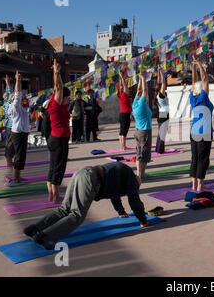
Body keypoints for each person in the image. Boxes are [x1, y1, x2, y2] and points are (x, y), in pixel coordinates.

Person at [23, 162, 148, 250]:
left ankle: (34, 229)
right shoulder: (132, 179)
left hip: (81, 173)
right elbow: (134, 201)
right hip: (90, 179)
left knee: (64, 209)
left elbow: (114, 195)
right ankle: (44, 237)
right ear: (137, 182)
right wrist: (143, 220)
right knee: (77, 215)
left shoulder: (123, 174)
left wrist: (120, 212)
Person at [47, 59, 71, 203]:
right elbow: (60, 88)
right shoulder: (56, 106)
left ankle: (51, 195)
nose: (68, 101)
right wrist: (57, 72)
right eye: (67, 98)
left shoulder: (53, 103)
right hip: (59, 140)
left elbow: (57, 87)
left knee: (52, 167)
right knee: (58, 168)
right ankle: (55, 197)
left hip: (55, 138)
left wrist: (55, 74)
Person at [189, 55, 214, 192]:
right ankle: (199, 186)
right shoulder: (204, 98)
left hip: (193, 132)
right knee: (203, 159)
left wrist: (193, 67)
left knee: (195, 158)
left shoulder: (193, 98)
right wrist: (198, 63)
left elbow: (194, 83)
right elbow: (204, 79)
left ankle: (193, 184)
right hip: (204, 133)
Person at [6, 71, 30, 187]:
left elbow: (18, 94)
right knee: (19, 155)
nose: (24, 97)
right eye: (22, 97)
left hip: (22, 133)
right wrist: (18, 80)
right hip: (18, 133)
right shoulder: (15, 107)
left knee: (22, 155)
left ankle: (18, 176)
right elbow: (17, 94)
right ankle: (15, 179)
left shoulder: (22, 107)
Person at [132, 73, 152, 180]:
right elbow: (144, 91)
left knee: (142, 153)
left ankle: (142, 173)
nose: (147, 96)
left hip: (139, 131)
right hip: (144, 132)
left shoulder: (135, 103)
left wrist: (140, 80)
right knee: (142, 154)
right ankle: (140, 175)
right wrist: (144, 79)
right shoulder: (142, 105)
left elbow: (139, 91)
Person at [155, 66, 170, 154]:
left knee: (161, 132)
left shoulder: (157, 95)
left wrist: (159, 72)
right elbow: (163, 83)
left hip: (161, 114)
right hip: (164, 114)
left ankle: (158, 148)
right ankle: (160, 150)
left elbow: (159, 82)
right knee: (162, 133)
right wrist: (161, 73)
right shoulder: (161, 95)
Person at [3, 74, 15, 169]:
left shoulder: (6, 102)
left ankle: (10, 162)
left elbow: (8, 92)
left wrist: (7, 83)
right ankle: (9, 163)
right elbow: (10, 92)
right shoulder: (8, 103)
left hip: (8, 126)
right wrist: (8, 83)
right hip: (11, 126)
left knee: (9, 144)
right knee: (10, 145)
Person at [118, 72, 132, 150]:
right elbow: (124, 85)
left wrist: (120, 77)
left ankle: (122, 145)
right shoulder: (125, 95)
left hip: (122, 114)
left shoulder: (120, 94)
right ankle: (123, 147)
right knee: (124, 130)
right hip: (125, 114)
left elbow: (121, 85)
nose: (128, 90)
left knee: (121, 130)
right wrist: (122, 77)